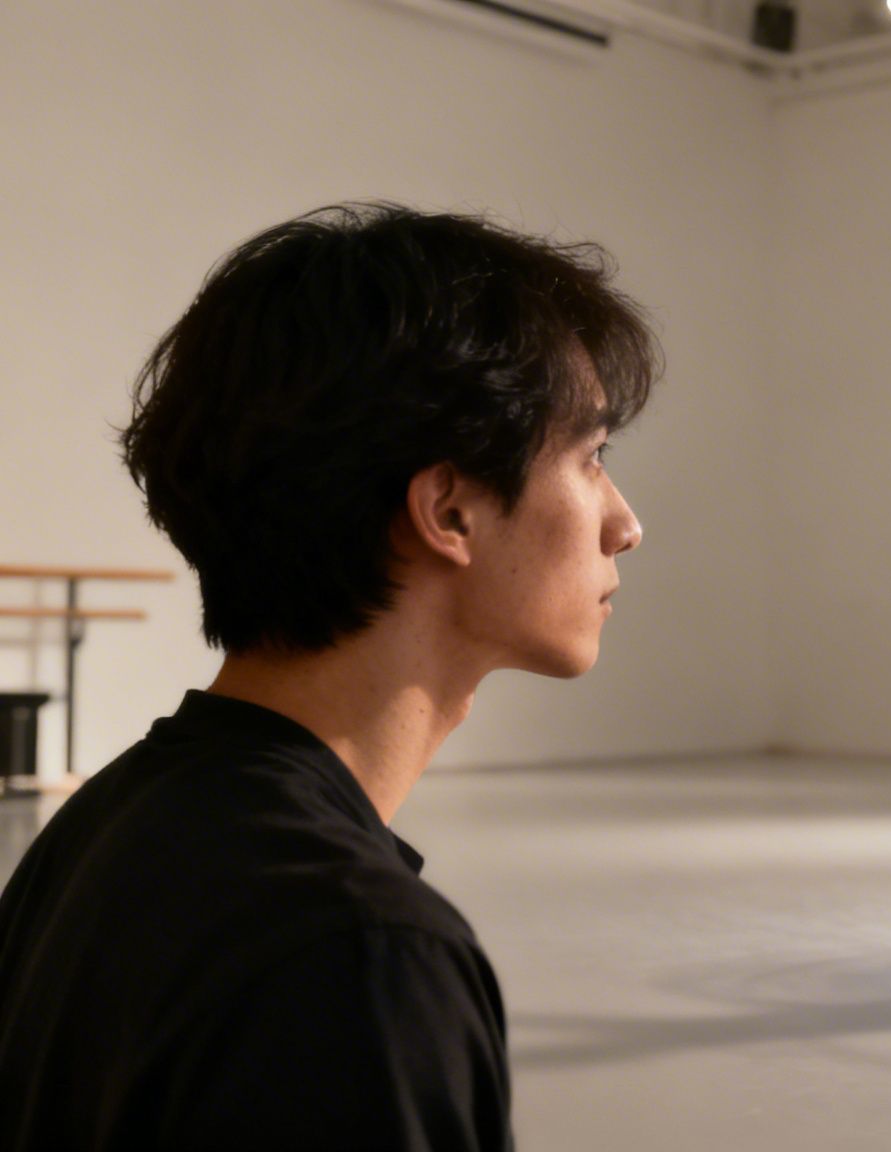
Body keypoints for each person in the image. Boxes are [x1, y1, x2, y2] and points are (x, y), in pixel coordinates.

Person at [0, 202, 656, 1147]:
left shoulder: (110, 825)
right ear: (448, 511)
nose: (624, 523)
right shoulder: (358, 959)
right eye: (592, 458)